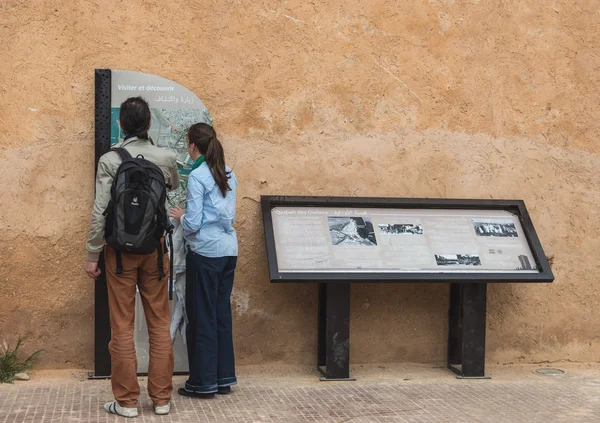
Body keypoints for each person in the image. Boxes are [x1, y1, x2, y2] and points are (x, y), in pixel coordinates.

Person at [84, 96, 179, 417]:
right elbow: (173, 185)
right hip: (155, 250)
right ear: (149, 124)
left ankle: (126, 402)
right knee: (159, 322)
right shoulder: (165, 157)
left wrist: (92, 254)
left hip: (120, 254)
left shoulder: (110, 160)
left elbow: (100, 211)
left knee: (122, 326)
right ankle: (162, 399)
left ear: (120, 124)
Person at [169, 122, 238, 398]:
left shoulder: (198, 176)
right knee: (221, 315)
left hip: (205, 253)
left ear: (193, 146)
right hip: (228, 251)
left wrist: (180, 216)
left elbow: (194, 224)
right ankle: (223, 379)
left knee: (202, 317)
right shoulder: (229, 172)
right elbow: (229, 216)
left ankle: (202, 383)